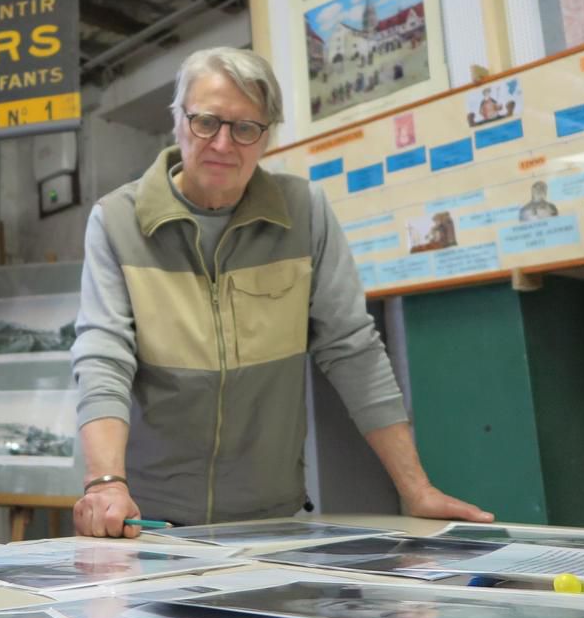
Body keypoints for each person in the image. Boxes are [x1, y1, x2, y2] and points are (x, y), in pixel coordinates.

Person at [71, 47, 491, 537]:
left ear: (267, 136)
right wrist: (105, 483)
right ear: (178, 120)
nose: (224, 144)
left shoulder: (304, 211)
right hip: (149, 518)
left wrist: (416, 489)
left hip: (270, 519)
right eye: (207, 122)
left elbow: (352, 348)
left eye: (246, 128)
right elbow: (104, 356)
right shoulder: (117, 221)